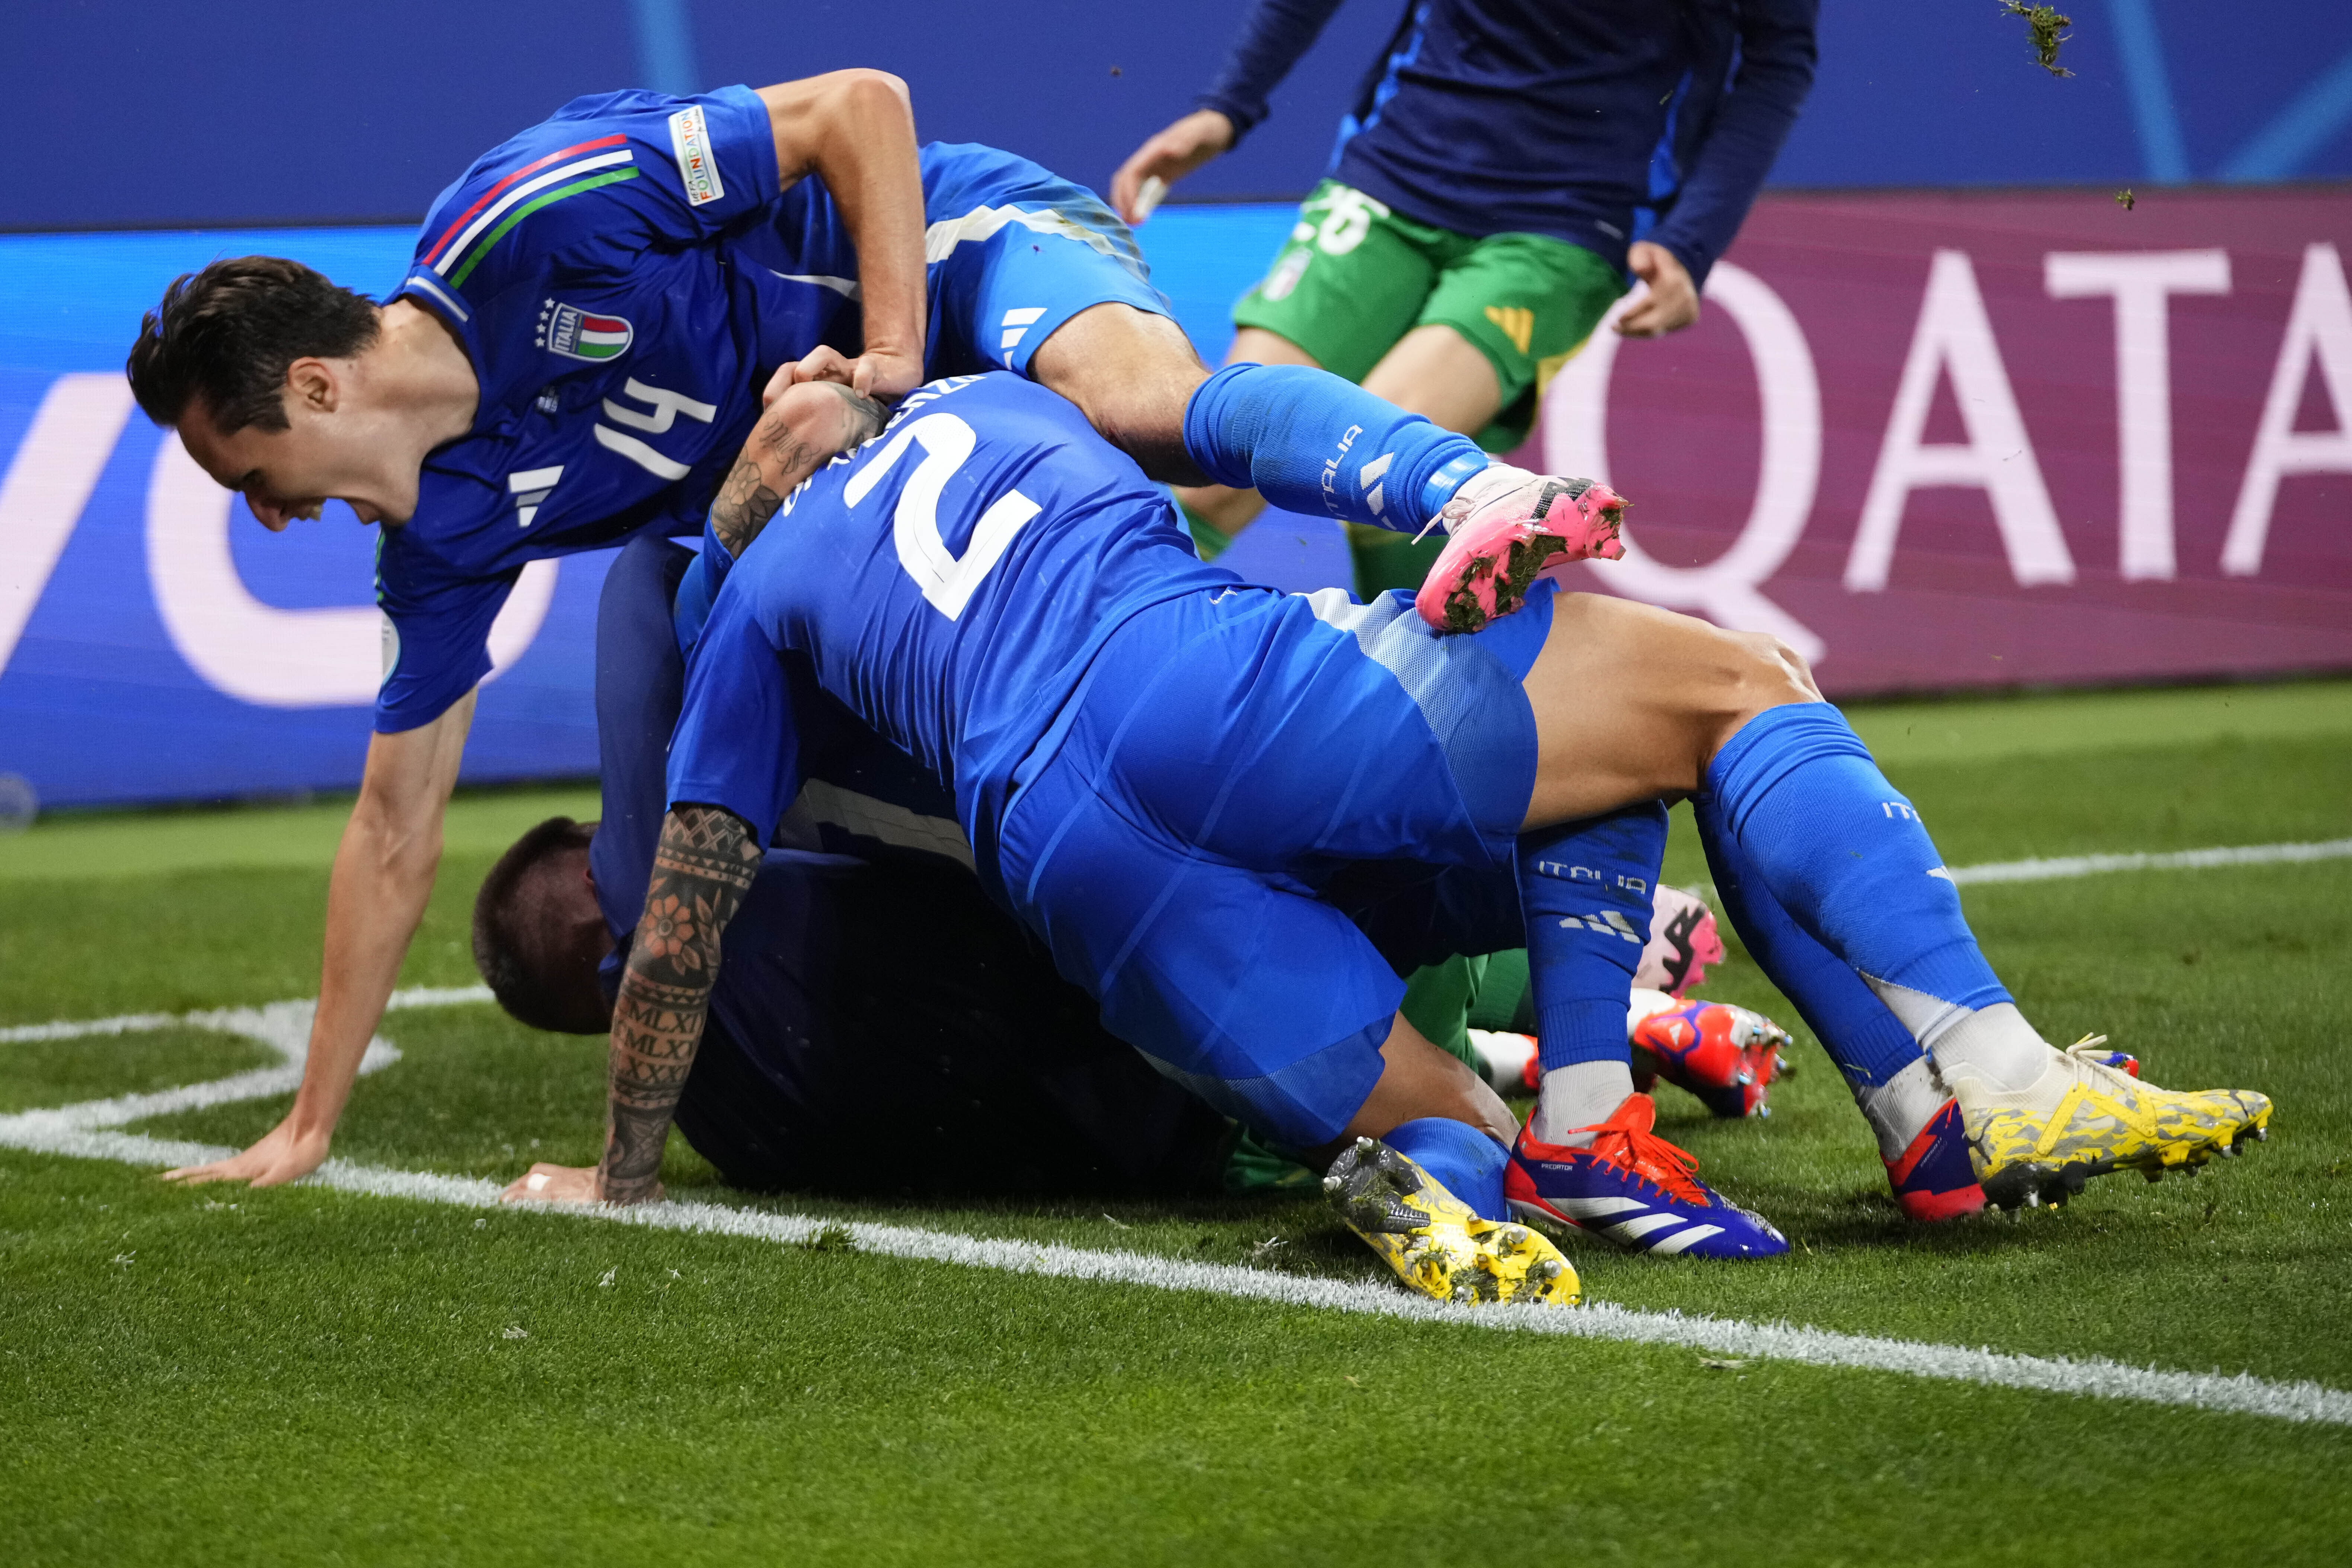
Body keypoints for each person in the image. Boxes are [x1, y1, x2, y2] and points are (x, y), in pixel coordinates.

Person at [128, 71, 1623, 1192]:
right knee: (1014, 763)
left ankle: (1477, 491)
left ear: (317, 391)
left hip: (957, 260)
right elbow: (392, 824)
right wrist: (311, 1123)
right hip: (861, 488)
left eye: (246, 476)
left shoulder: (529, 214)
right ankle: (1482, 995)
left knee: (1144, 419)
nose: (266, 518)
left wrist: (897, 361)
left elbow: (862, 109)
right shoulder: (442, 542)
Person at [503, 369, 2271, 1304]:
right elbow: (1240, 423)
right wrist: (1444, 483)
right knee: (1727, 690)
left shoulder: (757, 607)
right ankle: (1977, 1072)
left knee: (1442, 1115)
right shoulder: (1002, 399)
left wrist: (624, 1174)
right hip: (1191, 683)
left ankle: (1470, 1164)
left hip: (1071, 876)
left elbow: (678, 925)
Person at [1111, 0, 1818, 617]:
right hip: (1393, 173)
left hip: (1564, 222)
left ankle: (1446, 730)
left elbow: (1777, 57)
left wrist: (1691, 241)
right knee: (1211, 474)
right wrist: (1227, 106)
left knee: (1381, 474)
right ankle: (1076, 698)